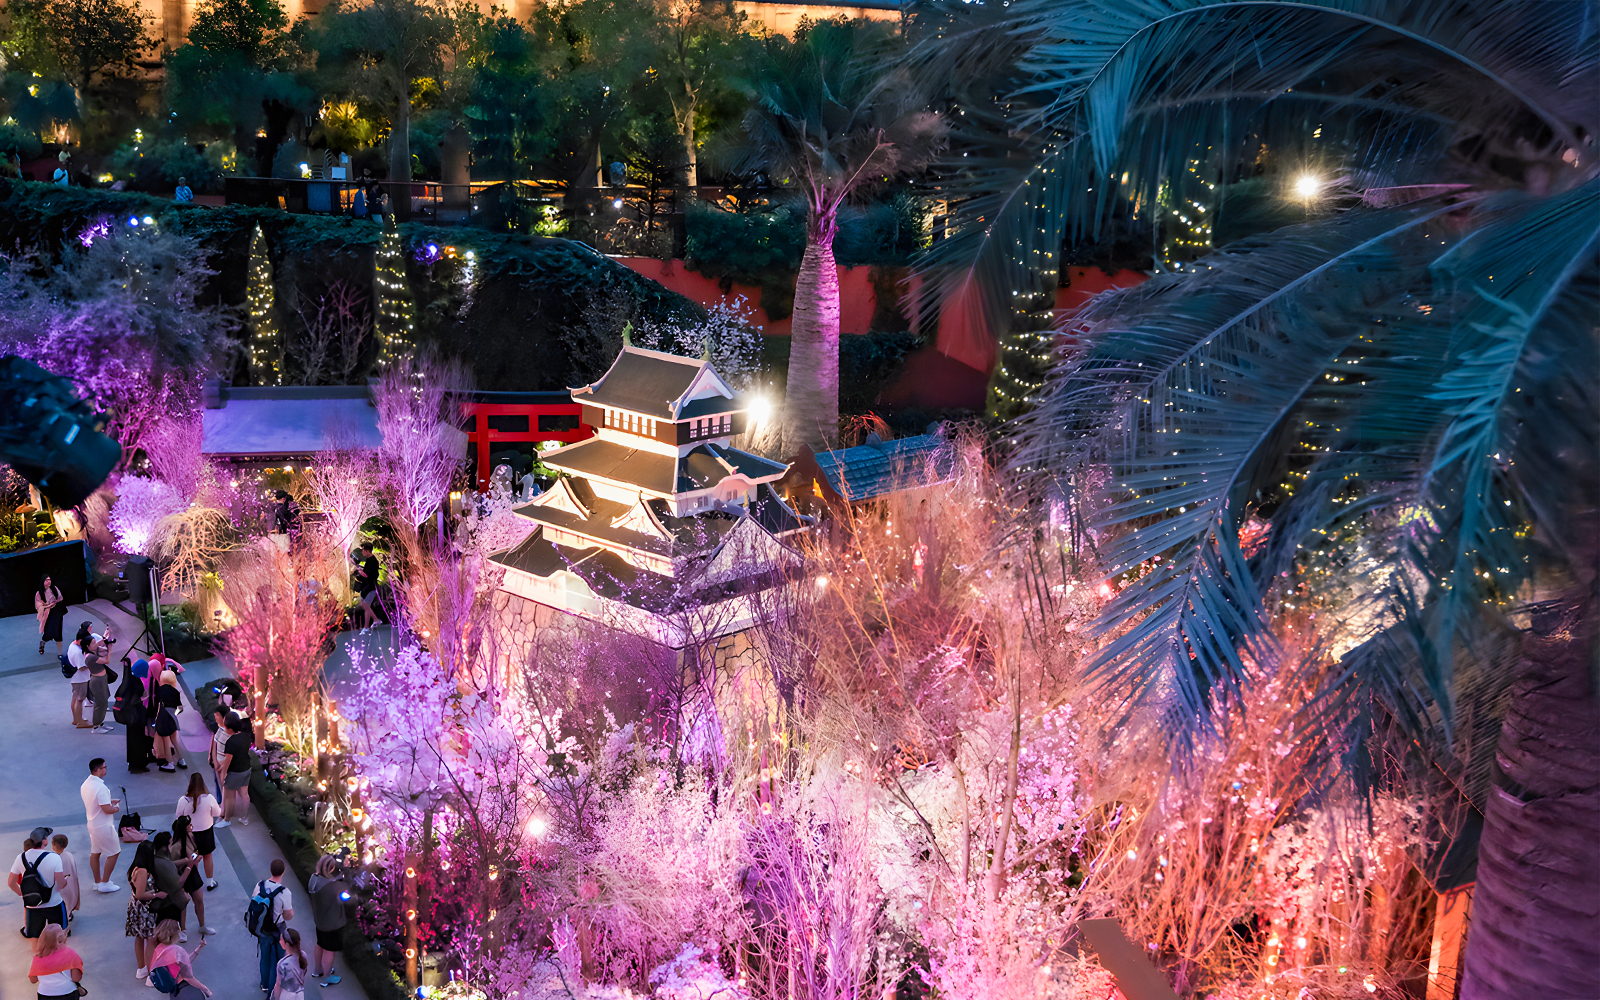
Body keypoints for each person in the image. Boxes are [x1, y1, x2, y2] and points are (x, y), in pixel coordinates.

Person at [9, 828, 67, 945]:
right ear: (45, 841)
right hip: (54, 903)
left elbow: (11, 882)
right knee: (61, 934)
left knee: (34, 939)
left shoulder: (21, 857)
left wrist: (23, 895)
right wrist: (65, 881)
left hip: (32, 905)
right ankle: (57, 960)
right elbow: (60, 884)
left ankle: (39, 960)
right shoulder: (54, 857)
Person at [252, 859, 295, 993]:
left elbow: (255, 902)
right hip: (278, 928)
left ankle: (264, 985)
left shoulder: (260, 885)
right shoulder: (285, 892)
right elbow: (288, 915)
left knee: (265, 957)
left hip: (263, 927)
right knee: (278, 960)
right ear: (283, 872)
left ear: (270, 869)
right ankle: (276, 987)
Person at [79, 758, 121, 893]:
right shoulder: (101, 787)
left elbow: (96, 803)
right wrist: (115, 808)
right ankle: (105, 882)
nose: (105, 769)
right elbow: (107, 809)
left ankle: (97, 882)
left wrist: (108, 802)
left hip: (92, 824)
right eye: (104, 767)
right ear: (98, 770)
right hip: (103, 826)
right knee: (114, 852)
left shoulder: (85, 784)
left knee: (95, 852)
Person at [175, 773, 223, 890]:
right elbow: (218, 813)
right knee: (207, 856)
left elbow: (178, 816)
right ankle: (210, 882)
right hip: (206, 834)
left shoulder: (183, 800)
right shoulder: (209, 798)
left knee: (193, 857)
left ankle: (194, 882)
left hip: (190, 835)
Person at [306, 855, 348, 986]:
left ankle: (317, 969)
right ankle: (327, 977)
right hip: (332, 923)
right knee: (329, 950)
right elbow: (347, 898)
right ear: (331, 869)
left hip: (320, 921)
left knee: (320, 944)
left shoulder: (314, 878)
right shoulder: (334, 887)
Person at [169, 816, 214, 937]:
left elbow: (196, 852)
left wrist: (193, 859)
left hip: (193, 873)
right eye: (189, 825)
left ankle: (202, 925)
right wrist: (187, 861)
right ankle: (182, 930)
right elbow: (172, 865)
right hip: (181, 875)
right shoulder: (176, 846)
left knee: (199, 900)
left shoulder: (191, 837)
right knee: (183, 904)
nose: (191, 827)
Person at [126, 841, 162, 981]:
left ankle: (141, 968)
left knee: (139, 937)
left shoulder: (133, 868)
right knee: (151, 939)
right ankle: (151, 974)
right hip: (144, 908)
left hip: (135, 906)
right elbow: (141, 894)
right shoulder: (143, 871)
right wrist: (156, 895)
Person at [149, 831, 196, 937]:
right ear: (165, 847)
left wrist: (185, 860)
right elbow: (178, 883)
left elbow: (169, 864)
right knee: (169, 934)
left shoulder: (157, 858)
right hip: (170, 903)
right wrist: (189, 867)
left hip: (167, 900)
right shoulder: (162, 863)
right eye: (170, 843)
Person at [150, 918, 213, 997]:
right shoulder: (176, 950)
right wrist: (206, 990)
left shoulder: (159, 948)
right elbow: (188, 977)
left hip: (171, 987)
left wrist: (199, 947)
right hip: (182, 988)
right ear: (174, 934)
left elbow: (183, 962)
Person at [27, 924, 83, 999]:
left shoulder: (38, 958)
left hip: (45, 994)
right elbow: (76, 978)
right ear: (61, 938)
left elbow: (33, 980)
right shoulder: (70, 953)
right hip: (68, 993)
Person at [220, 714, 254, 825]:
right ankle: (245, 817)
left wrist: (223, 774)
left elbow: (228, 760)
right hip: (246, 768)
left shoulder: (231, 742)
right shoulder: (245, 736)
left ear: (229, 728)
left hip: (235, 772)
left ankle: (227, 820)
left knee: (229, 797)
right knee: (244, 793)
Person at [121, 660, 155, 772]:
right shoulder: (137, 683)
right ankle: (138, 764)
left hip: (130, 717)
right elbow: (139, 697)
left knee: (132, 740)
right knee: (138, 741)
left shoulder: (130, 679)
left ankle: (132, 762)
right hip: (137, 716)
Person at [152, 669, 186, 771]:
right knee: (174, 740)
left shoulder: (160, 690)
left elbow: (157, 706)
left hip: (163, 718)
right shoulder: (175, 692)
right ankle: (181, 760)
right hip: (173, 718)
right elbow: (180, 707)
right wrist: (174, 714)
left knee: (166, 741)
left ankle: (170, 763)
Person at [65, 624, 95, 728]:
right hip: (80, 679)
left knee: (75, 697)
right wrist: (92, 663)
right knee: (79, 699)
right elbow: (82, 667)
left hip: (75, 678)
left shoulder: (72, 645)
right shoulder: (78, 652)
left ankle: (76, 719)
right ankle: (80, 721)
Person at [49, 835, 79, 922]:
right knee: (68, 901)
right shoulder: (69, 855)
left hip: (58, 886)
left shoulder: (51, 858)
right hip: (70, 884)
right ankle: (68, 913)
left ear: (53, 845)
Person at [273, 926, 309, 1000]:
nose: (280, 941)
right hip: (300, 994)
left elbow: (278, 985)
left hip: (286, 996)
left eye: (281, 940)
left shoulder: (283, 964)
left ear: (287, 944)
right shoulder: (303, 955)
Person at [208, 706, 233, 811]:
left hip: (225, 763)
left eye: (217, 715)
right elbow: (214, 742)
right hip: (217, 760)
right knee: (217, 782)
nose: (216, 718)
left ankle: (225, 806)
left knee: (226, 785)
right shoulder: (217, 728)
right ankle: (220, 802)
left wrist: (222, 764)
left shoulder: (230, 732)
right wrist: (212, 757)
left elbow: (232, 753)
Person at [35, 574, 65, 656]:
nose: (48, 581)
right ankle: (43, 642)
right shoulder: (39, 593)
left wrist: (54, 604)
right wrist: (47, 606)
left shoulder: (54, 589)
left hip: (57, 611)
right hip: (47, 614)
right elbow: (38, 605)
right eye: (46, 580)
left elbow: (60, 598)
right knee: (48, 632)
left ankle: (60, 653)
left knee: (58, 631)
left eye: (49, 580)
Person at [352, 543, 380, 628]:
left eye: (364, 550)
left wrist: (358, 570)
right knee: (366, 606)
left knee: (365, 605)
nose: (363, 552)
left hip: (370, 587)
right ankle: (368, 626)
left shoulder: (373, 561)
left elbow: (366, 575)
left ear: (367, 551)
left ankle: (374, 621)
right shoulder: (369, 560)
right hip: (367, 587)